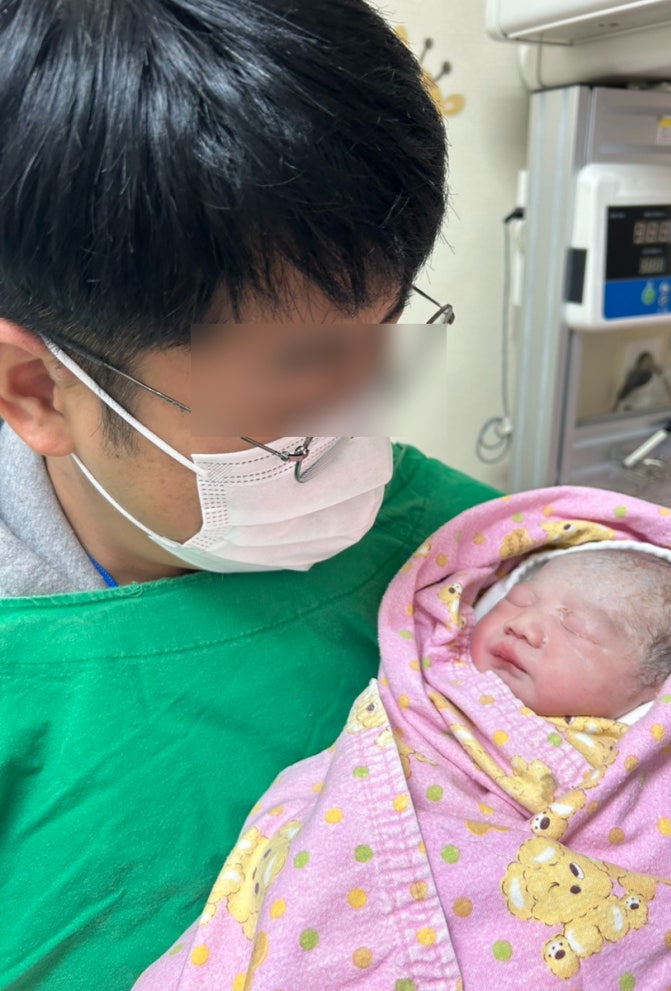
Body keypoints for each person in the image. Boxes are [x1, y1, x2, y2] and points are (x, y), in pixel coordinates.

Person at [0, 2, 501, 987]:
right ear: (38, 391)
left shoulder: (460, 548)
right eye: (302, 367)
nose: (360, 408)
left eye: (382, 333)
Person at [131, 489, 671, 990]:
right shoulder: (435, 689)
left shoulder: (643, 777)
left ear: (658, 691)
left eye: (579, 629)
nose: (526, 625)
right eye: (519, 601)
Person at [470, 547, 671, 719]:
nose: (522, 624)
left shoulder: (616, 764)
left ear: (654, 686)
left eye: (576, 629)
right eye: (519, 600)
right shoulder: (446, 654)